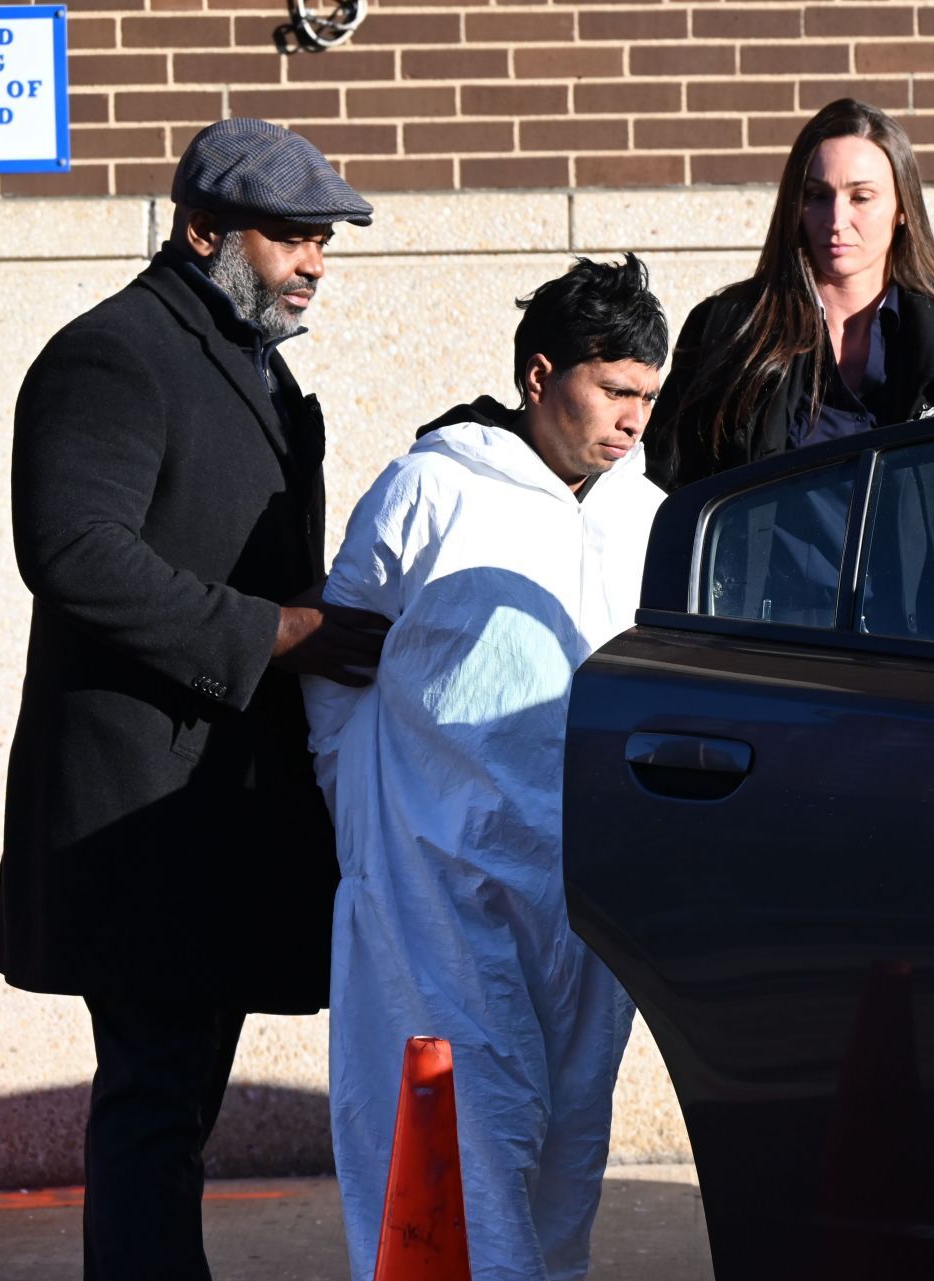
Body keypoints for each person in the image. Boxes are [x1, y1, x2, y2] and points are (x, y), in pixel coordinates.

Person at [0, 118, 387, 1281]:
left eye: (325, 240)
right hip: (137, 812)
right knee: (155, 1102)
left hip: (220, 814)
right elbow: (73, 552)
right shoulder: (111, 353)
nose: (314, 262)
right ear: (204, 229)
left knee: (176, 1105)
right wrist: (281, 632)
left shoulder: (263, 372)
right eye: (292, 238)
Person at [303, 255, 668, 1281]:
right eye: (613, 391)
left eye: (647, 395)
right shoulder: (434, 487)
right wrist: (371, 834)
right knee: (469, 1133)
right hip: (442, 877)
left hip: (585, 890)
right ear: (541, 375)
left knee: (567, 1140)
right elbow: (338, 662)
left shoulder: (644, 514)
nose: (632, 418)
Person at [648, 98, 934, 659]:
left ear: (902, 207)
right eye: (817, 196)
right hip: (772, 659)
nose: (838, 220)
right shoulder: (730, 330)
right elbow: (667, 498)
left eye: (861, 197)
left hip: (928, 661)